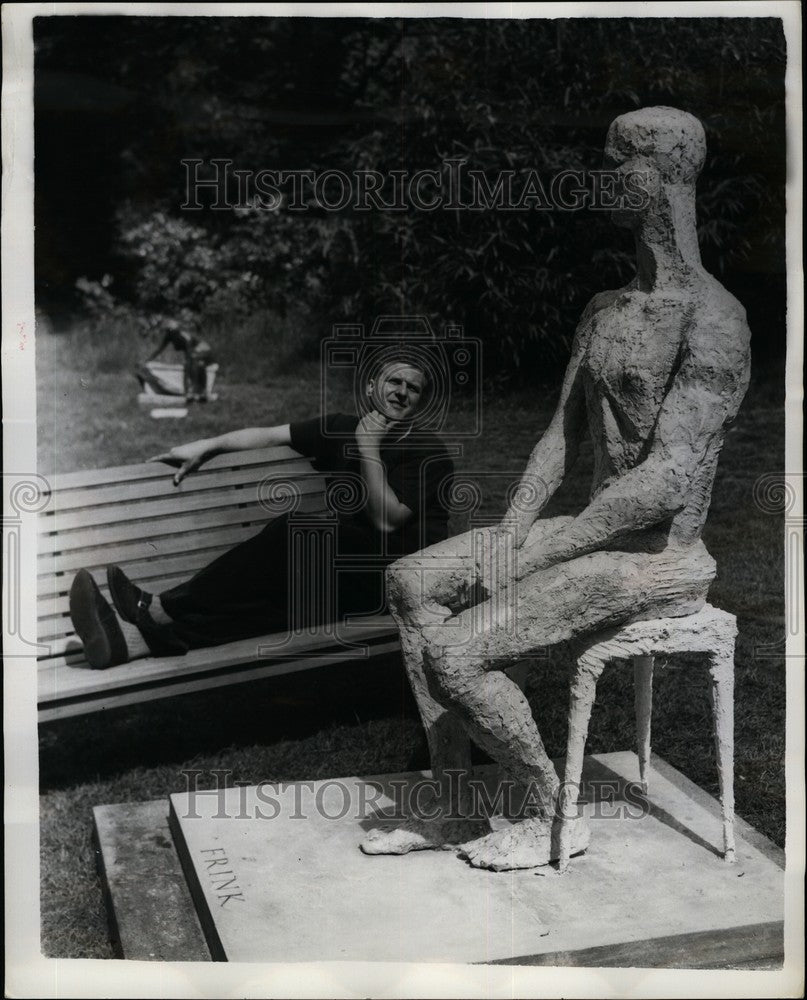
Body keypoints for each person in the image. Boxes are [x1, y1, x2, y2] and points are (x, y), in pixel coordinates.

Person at [361, 107, 752, 870]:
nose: (600, 180)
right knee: (412, 581)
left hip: (660, 559)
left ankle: (549, 814)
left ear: (664, 177)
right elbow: (559, 437)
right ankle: (456, 801)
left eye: (616, 165)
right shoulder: (603, 310)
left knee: (459, 653)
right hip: (589, 529)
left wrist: (542, 553)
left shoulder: (714, 320)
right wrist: (512, 534)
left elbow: (666, 481)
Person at [69, 351, 455, 669]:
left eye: (413, 388)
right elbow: (270, 434)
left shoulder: (426, 451)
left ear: (420, 400)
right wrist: (207, 445)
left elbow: (387, 522)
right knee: (271, 608)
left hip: (400, 583)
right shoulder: (340, 427)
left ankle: (159, 607)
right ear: (372, 386)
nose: (402, 392)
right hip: (347, 576)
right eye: (394, 382)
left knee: (297, 532)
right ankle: (134, 642)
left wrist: (368, 447)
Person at [146, 319, 214, 401]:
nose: (166, 332)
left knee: (192, 366)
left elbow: (190, 346)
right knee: (189, 365)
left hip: (202, 349)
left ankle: (196, 391)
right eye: (166, 330)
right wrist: (148, 359)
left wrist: (190, 358)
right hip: (194, 351)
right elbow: (159, 349)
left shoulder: (182, 334)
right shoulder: (169, 336)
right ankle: (191, 391)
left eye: (167, 330)